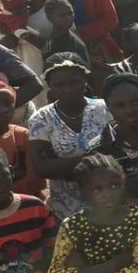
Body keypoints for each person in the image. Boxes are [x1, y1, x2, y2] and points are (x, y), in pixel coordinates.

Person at [27, 55, 108, 220]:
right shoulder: (41, 119)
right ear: (50, 87)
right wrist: (94, 158)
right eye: (59, 84)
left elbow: (121, 154)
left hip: (109, 202)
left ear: (85, 81)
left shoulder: (104, 109)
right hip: (67, 208)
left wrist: (61, 164)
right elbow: (42, 169)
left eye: (74, 82)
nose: (68, 89)